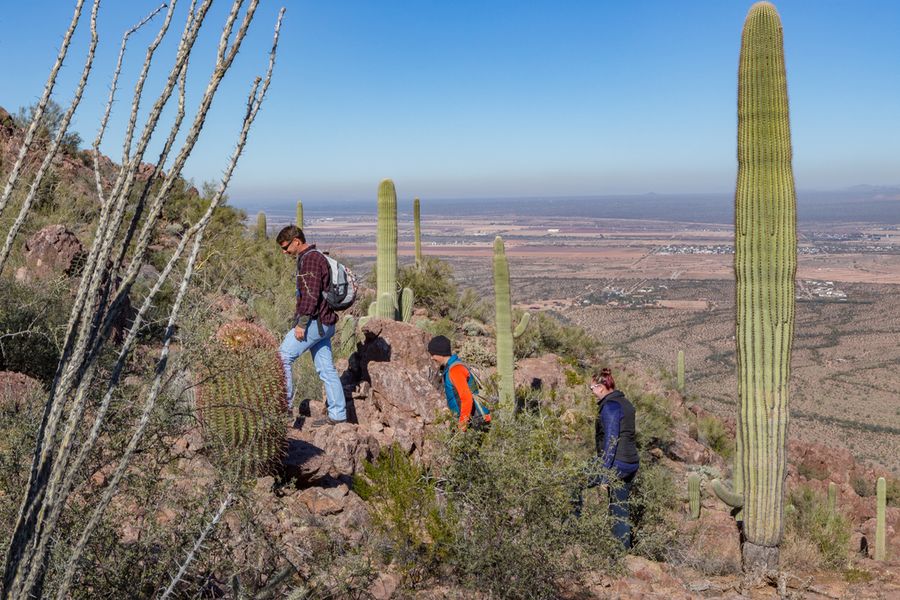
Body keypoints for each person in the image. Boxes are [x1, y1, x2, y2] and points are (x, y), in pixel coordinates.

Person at [276, 225, 346, 426]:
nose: (284, 251)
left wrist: (302, 323)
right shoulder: (312, 257)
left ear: (296, 241)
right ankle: (338, 414)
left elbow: (311, 295)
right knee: (326, 369)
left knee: (283, 357)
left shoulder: (311, 259)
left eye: (286, 247)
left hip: (314, 323)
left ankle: (284, 410)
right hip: (324, 323)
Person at [589, 367, 640, 549]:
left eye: (592, 388)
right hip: (630, 463)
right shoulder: (625, 403)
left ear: (601, 387)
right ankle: (623, 549)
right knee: (621, 508)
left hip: (617, 464)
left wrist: (604, 476)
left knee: (575, 482)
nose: (592, 392)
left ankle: (618, 553)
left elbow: (611, 441)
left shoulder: (610, 407)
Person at [427, 335, 490, 431]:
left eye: (433, 354)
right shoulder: (449, 368)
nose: (431, 358)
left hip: (476, 420)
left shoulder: (455, 370)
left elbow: (467, 398)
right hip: (471, 419)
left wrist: (462, 424)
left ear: (440, 353)